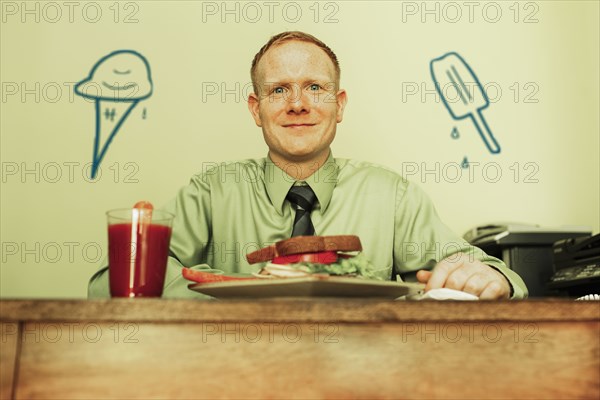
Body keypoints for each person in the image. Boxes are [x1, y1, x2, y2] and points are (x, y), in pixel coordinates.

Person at [89, 31, 528, 299]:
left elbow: (487, 271)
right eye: (279, 90)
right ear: (255, 109)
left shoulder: (392, 196)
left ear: (339, 106)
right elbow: (110, 283)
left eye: (315, 87)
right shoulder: (212, 190)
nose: (298, 104)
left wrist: (490, 277)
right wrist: (232, 292)